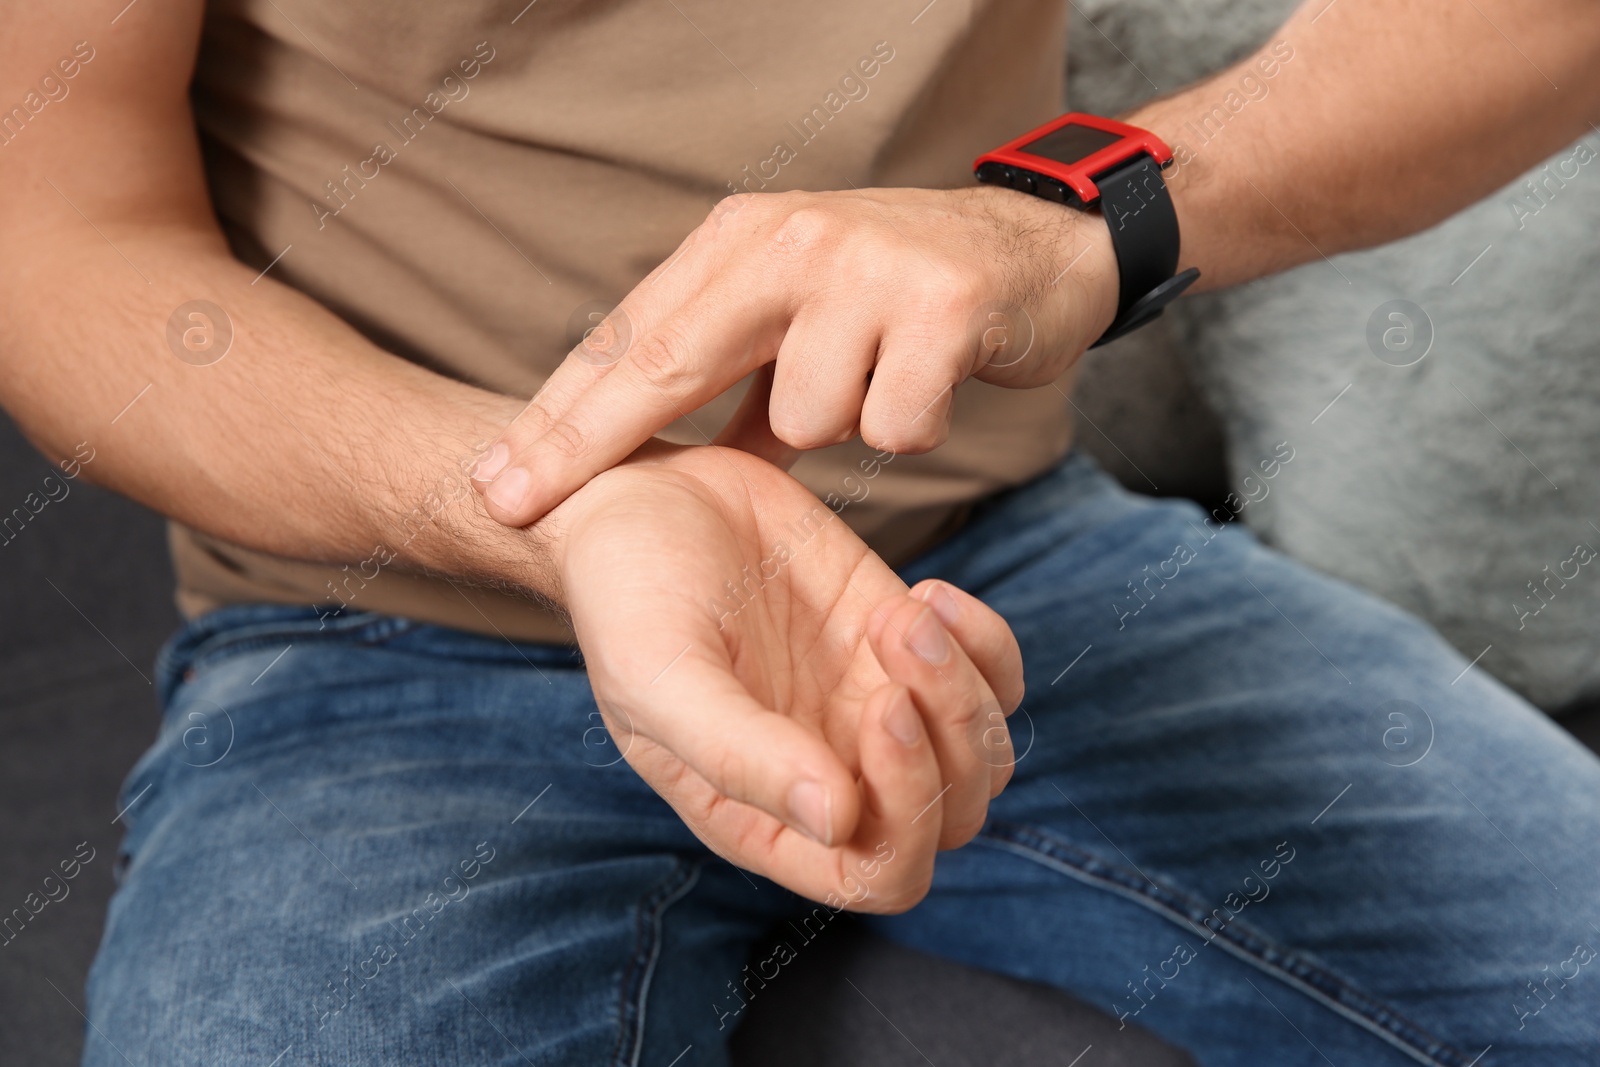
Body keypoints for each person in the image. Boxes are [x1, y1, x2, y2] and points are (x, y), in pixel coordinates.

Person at [2, 0, 1596, 1063]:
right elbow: (57, 228)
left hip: (1005, 562)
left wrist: (1076, 216)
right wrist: (562, 504)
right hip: (382, 639)